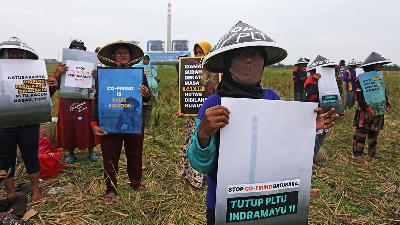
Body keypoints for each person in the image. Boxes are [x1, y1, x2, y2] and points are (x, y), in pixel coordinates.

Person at [186, 22, 339, 224]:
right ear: (228, 63)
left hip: (269, 204)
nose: (250, 60)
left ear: (264, 62)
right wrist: (204, 134)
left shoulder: (272, 98)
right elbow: (199, 164)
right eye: (242, 55)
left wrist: (307, 129)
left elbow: (282, 150)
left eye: (256, 55)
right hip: (226, 205)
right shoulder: (213, 104)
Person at [91, 40, 152, 204]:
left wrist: (147, 94)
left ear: (131, 56)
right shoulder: (105, 76)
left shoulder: (139, 74)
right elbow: (98, 99)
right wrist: (93, 123)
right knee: (109, 156)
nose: (123, 54)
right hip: (110, 122)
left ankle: (136, 183)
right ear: (113, 56)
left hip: (134, 120)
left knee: (135, 154)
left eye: (126, 52)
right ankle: (110, 189)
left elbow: (147, 97)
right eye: (119, 52)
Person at [0, 37, 58, 202]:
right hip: (4, 124)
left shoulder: (32, 73)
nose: (15, 56)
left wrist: (51, 87)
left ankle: (35, 189)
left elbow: (40, 98)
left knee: (31, 155)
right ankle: (10, 191)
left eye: (19, 53)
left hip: (29, 122)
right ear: (5, 54)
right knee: (5, 157)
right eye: (12, 53)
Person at [53, 40, 99, 164]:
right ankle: (71, 153)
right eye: (74, 49)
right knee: (69, 127)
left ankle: (91, 152)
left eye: (80, 49)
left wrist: (96, 77)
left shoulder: (91, 66)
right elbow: (55, 85)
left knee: (89, 127)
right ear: (70, 50)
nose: (77, 51)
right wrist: (59, 73)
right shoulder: (62, 66)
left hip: (86, 102)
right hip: (67, 103)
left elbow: (98, 86)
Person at [180, 41, 212, 189]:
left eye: (202, 52)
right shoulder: (190, 70)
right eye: (197, 52)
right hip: (192, 116)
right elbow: (185, 93)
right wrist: (182, 109)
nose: (199, 55)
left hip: (208, 117)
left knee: (204, 144)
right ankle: (190, 175)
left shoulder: (214, 73)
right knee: (192, 142)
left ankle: (203, 177)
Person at [352, 52, 391, 163]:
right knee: (361, 133)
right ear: (373, 66)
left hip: (378, 110)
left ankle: (371, 153)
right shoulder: (361, 79)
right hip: (365, 111)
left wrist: (386, 103)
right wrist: (367, 108)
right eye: (380, 64)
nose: (382, 66)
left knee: (375, 132)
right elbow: (359, 96)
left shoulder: (379, 77)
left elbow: (382, 92)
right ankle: (357, 154)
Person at [304, 55, 338, 166]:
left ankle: (314, 155)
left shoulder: (327, 81)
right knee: (314, 137)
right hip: (315, 115)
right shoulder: (310, 82)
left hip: (325, 113)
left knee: (322, 135)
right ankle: (309, 159)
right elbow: (309, 99)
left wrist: (337, 108)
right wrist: (315, 83)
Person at [136, 54, 159, 132]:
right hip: (143, 92)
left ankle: (151, 125)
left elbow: (156, 79)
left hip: (153, 91)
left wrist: (158, 80)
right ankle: (145, 126)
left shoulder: (152, 68)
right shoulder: (139, 69)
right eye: (145, 59)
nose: (146, 61)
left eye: (147, 59)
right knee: (144, 109)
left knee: (152, 109)